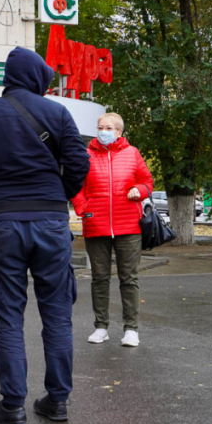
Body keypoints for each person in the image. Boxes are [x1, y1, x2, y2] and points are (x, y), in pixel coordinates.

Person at [0, 47, 90, 424]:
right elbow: (80, 164)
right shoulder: (57, 112)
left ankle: (12, 406)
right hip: (50, 222)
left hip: (4, 223)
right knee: (58, 314)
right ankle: (57, 401)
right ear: (36, 77)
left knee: (9, 314)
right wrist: (56, 194)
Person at [71, 113, 153, 349]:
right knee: (99, 278)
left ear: (119, 132)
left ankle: (131, 329)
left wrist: (140, 189)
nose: (102, 131)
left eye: (108, 127)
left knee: (129, 278)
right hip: (95, 224)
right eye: (100, 127)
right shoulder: (85, 155)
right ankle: (101, 327)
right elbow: (75, 185)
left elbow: (147, 181)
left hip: (128, 225)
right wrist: (83, 207)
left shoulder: (132, 153)